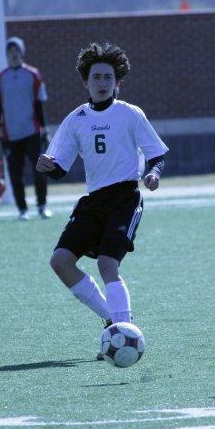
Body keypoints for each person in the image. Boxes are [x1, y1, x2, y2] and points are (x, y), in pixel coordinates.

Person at [36, 41, 169, 358]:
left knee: (108, 263)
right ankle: (111, 319)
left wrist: (154, 174)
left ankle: (123, 330)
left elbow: (157, 154)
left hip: (125, 197)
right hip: (93, 201)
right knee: (61, 262)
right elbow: (60, 166)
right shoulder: (76, 119)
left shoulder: (130, 114)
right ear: (85, 81)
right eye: (96, 77)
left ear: (117, 82)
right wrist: (47, 167)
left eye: (108, 77)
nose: (101, 83)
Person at [0, 36, 52, 220]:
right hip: (11, 136)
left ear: (22, 52)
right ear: (6, 55)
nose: (13, 54)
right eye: (10, 51)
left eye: (16, 50)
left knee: (40, 170)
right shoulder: (0, 79)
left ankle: (41, 206)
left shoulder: (32, 75)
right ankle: (22, 210)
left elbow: (39, 105)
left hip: (32, 132)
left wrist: (45, 130)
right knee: (15, 175)